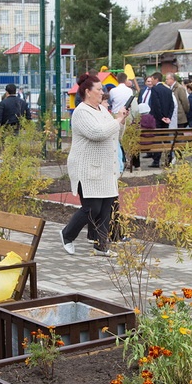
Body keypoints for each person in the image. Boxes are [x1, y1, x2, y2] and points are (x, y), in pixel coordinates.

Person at [60, 72, 128, 257]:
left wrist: (121, 119)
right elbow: (97, 133)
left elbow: (113, 133)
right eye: (99, 89)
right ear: (88, 92)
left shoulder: (101, 110)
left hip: (106, 168)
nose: (102, 93)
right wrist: (117, 120)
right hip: (87, 168)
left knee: (107, 206)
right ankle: (67, 234)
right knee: (92, 208)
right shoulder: (82, 112)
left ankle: (101, 245)